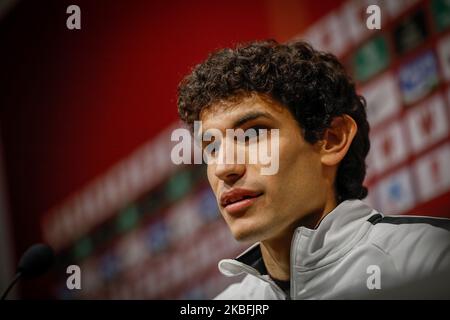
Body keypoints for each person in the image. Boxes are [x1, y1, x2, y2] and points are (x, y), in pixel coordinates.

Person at [176, 40, 450, 299]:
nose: (224, 167)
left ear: (332, 140)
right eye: (211, 147)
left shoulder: (433, 259)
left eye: (253, 133)